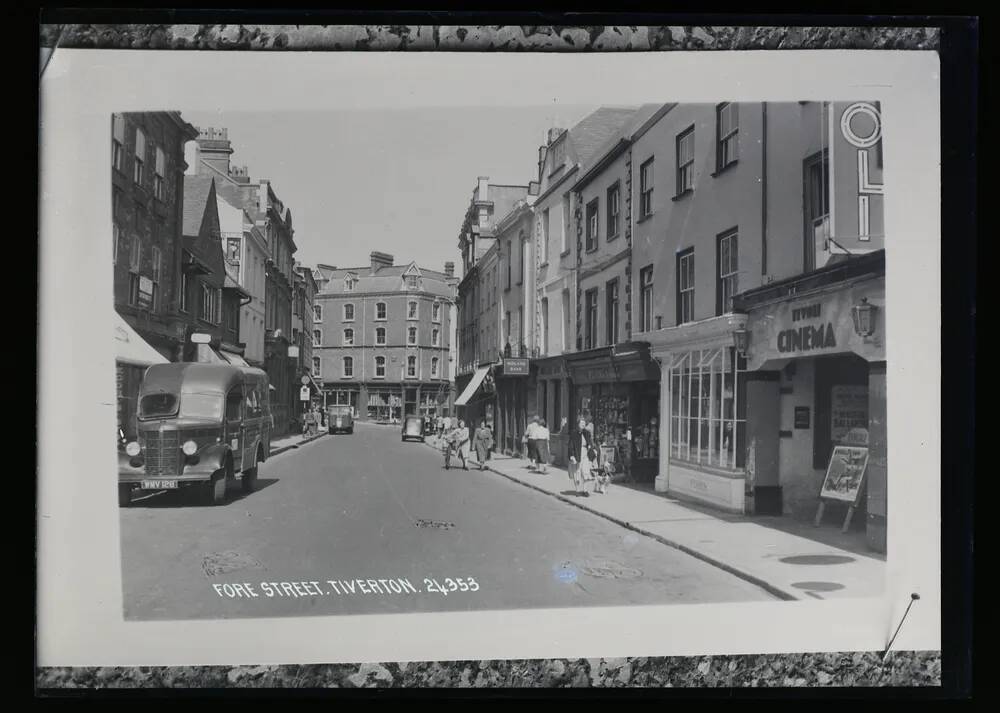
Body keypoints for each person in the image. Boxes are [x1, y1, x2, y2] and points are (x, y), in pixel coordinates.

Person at [568, 418, 595, 497]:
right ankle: (577, 490)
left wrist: (590, 446)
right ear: (578, 424)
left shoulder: (586, 433)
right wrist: (571, 455)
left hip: (585, 453)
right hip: (577, 453)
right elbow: (570, 445)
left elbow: (590, 441)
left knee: (586, 472)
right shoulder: (574, 433)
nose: (583, 424)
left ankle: (585, 490)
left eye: (584, 423)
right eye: (581, 423)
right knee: (577, 472)